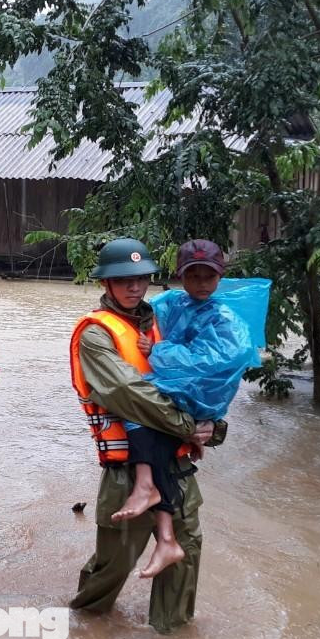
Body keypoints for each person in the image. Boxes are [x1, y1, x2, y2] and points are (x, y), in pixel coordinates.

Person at [68, 237, 227, 634]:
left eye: (140, 278)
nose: (133, 286)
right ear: (106, 283)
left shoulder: (163, 321)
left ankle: (172, 631)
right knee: (112, 568)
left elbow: (202, 376)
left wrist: (214, 425)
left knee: (183, 564)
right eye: (123, 279)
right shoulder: (95, 334)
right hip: (127, 473)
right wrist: (191, 427)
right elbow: (129, 393)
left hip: (177, 467)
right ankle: (83, 626)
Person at [111, 239, 252, 580]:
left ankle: (156, 511)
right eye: (194, 275)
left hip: (195, 401)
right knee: (113, 564)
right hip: (173, 420)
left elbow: (217, 361)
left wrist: (159, 352)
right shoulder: (169, 305)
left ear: (221, 277)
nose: (202, 283)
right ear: (180, 275)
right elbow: (140, 324)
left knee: (144, 408)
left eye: (209, 276)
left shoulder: (225, 319)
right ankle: (161, 526)